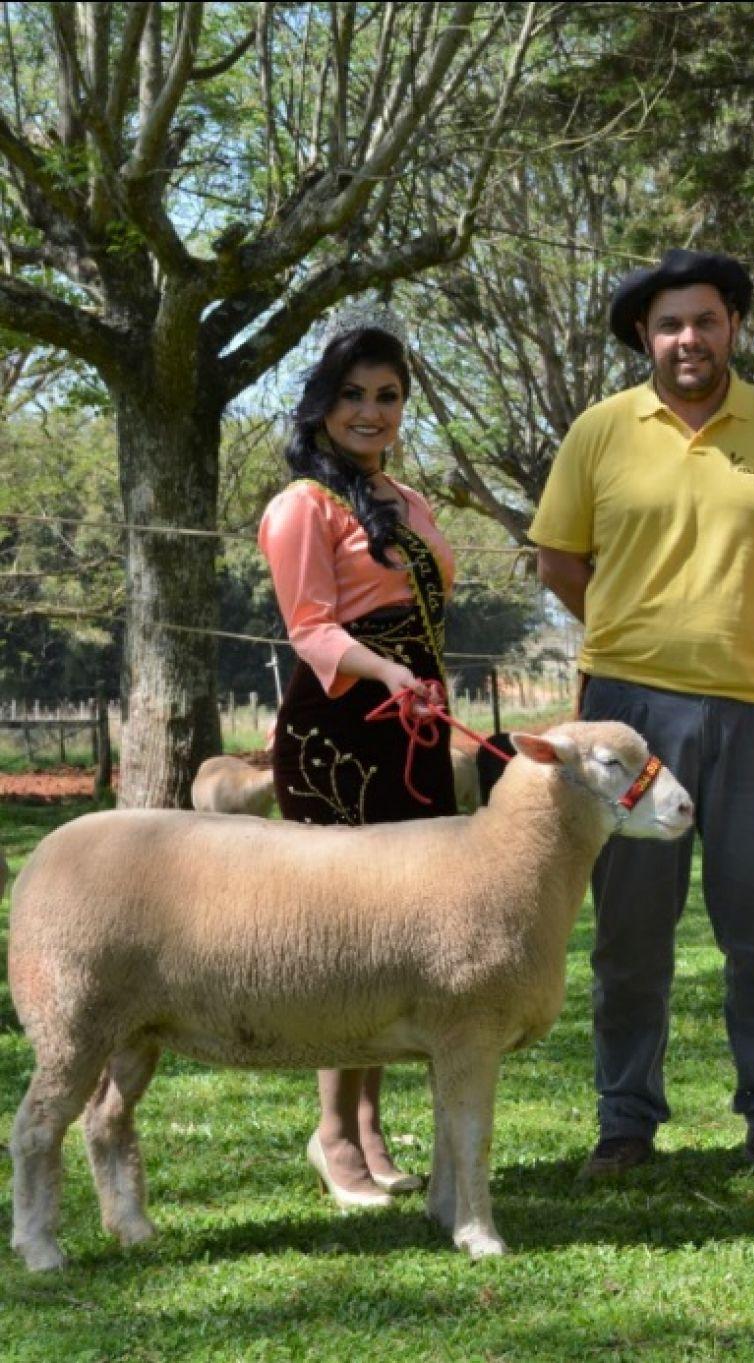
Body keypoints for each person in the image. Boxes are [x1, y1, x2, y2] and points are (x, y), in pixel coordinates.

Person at [530, 249, 754, 1178]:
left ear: (734, 329)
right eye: (670, 324)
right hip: (629, 717)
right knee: (633, 931)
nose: (689, 339)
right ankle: (625, 1122)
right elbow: (559, 560)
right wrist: (637, 635)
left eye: (706, 321)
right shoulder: (599, 432)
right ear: (645, 336)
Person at [259, 314, 454, 1209]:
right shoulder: (304, 505)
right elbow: (310, 627)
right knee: (345, 937)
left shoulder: (408, 500)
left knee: (393, 937)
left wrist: (417, 685)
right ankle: (333, 1131)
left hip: (413, 724)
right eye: (353, 396)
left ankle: (372, 1125)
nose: (371, 412)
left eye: (388, 396)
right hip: (340, 727)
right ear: (322, 405)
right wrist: (388, 671)